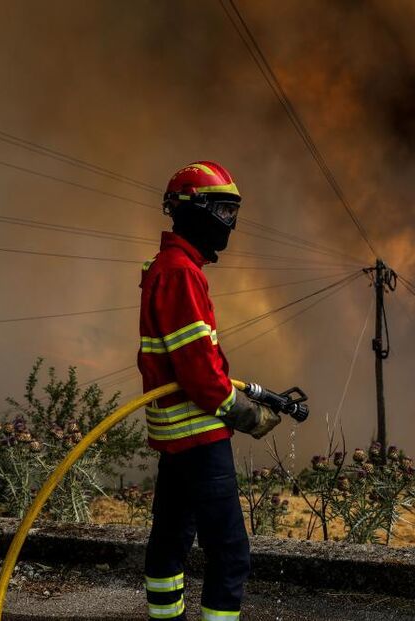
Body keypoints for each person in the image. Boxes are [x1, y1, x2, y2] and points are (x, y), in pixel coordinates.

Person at [138, 161, 281, 620]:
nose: (230, 224)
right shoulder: (181, 273)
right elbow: (200, 373)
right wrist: (246, 413)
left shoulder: (168, 267)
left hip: (177, 436)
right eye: (222, 211)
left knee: (170, 543)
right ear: (192, 210)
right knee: (230, 554)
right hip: (200, 435)